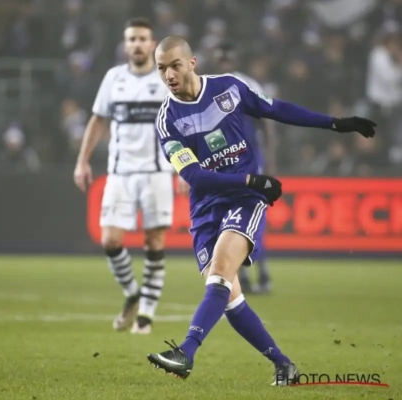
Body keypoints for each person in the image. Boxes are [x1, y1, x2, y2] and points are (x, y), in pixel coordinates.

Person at [146, 36, 376, 384]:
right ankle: (284, 365)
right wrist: (252, 179)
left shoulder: (229, 87)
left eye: (175, 65)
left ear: (192, 63)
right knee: (228, 297)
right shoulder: (167, 120)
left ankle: (186, 352)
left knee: (220, 272)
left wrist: (334, 123)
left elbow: (276, 109)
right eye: (161, 68)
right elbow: (194, 176)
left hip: (244, 199)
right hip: (207, 206)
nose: (169, 75)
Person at [73, 17, 173, 335]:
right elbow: (97, 120)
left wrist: (187, 166)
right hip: (120, 173)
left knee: (153, 241)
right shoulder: (113, 78)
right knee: (110, 240)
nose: (137, 44)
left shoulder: (166, 79)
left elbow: (185, 123)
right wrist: (82, 161)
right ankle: (132, 293)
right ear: (125, 45)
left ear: (152, 44)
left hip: (157, 172)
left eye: (142, 39)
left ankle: (146, 315)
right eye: (132, 39)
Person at [213, 42, 276, 294]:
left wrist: (270, 161)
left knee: (253, 217)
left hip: (249, 162)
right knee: (229, 221)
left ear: (235, 61)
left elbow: (266, 122)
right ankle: (245, 276)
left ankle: (263, 272)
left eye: (228, 60)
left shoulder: (248, 85)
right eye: (222, 60)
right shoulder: (206, 88)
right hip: (223, 166)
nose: (225, 64)